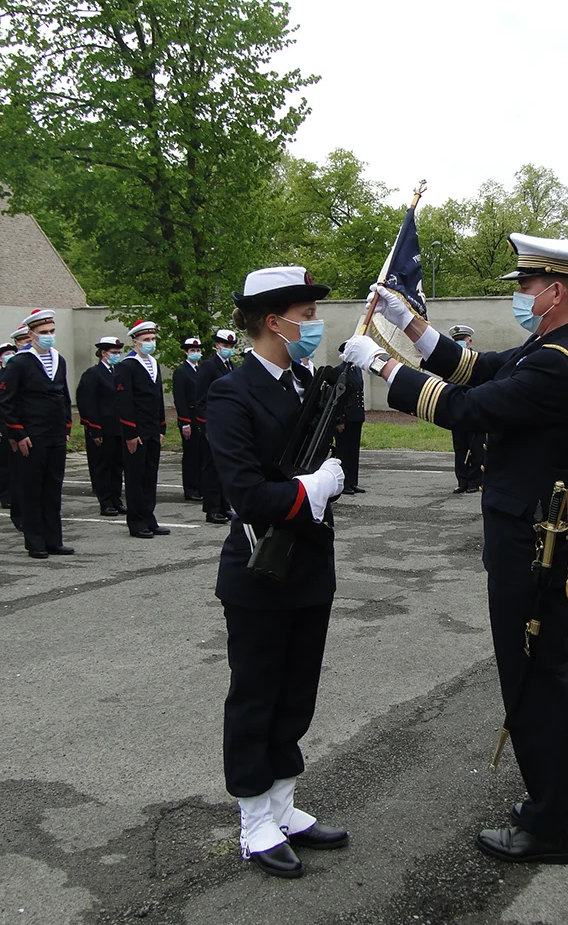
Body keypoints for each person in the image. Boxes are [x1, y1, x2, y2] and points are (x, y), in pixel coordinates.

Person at [343, 233, 568, 865]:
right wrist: (410, 326)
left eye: (526, 285)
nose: (520, 295)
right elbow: (478, 368)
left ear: (554, 292)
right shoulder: (555, 348)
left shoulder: (559, 361)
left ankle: (547, 827)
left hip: (534, 544)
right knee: (560, 671)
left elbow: (464, 407)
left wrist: (382, 365)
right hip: (546, 533)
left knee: (534, 678)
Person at [206, 265, 348, 879]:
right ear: (274, 321)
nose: (315, 324)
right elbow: (245, 492)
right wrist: (311, 489)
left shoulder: (305, 384)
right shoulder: (231, 393)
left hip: (309, 566)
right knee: (257, 696)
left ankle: (283, 808)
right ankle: (253, 820)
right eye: (307, 315)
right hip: (259, 569)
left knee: (296, 695)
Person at [0, 308, 74, 559]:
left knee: (53, 488)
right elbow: (7, 401)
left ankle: (54, 540)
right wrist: (18, 433)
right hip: (32, 435)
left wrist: (66, 426)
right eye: (43, 332)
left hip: (55, 434)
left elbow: (63, 396)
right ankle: (35, 541)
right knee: (32, 489)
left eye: (52, 331)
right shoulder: (19, 362)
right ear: (31, 334)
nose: (49, 336)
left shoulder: (59, 359)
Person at [116, 319, 169, 539]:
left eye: (153, 338)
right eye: (146, 339)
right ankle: (136, 521)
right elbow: (124, 401)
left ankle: (149, 517)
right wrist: (130, 432)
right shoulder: (127, 365)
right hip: (136, 432)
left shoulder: (153, 363)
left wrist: (161, 427)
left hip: (152, 429)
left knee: (150, 476)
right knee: (135, 477)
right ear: (135, 341)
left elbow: (157, 398)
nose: (150, 342)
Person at [77, 337, 126, 516]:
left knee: (117, 466)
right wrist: (94, 428)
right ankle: (105, 502)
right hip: (101, 428)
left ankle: (116, 499)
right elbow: (87, 403)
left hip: (118, 427)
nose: (117, 355)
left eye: (119, 352)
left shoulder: (119, 372)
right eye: (114, 352)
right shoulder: (93, 374)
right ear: (103, 353)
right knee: (102, 466)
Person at [196, 329, 236, 523]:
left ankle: (224, 505)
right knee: (211, 468)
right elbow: (200, 400)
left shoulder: (232, 367)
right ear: (217, 345)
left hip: (227, 426)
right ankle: (211, 508)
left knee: (224, 467)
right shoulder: (208, 366)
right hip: (213, 424)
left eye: (231, 346)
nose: (228, 349)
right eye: (225, 345)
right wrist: (206, 427)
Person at [448, 324, 484, 494]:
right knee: (460, 447)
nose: (460, 343)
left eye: (462, 340)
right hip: (457, 411)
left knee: (476, 447)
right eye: (457, 340)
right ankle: (462, 481)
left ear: (469, 341)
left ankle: (474, 482)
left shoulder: (478, 360)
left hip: (474, 409)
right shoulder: (450, 362)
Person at [3, 325, 31, 530]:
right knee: (17, 474)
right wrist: (11, 432)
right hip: (15, 429)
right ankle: (19, 514)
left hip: (35, 429)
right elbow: (6, 404)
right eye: (24, 342)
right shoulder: (11, 369)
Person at [172, 337, 203, 502]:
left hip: (201, 419)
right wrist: (185, 422)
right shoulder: (181, 372)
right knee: (191, 455)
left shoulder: (201, 370)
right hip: (189, 419)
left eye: (198, 350)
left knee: (201, 454)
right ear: (186, 352)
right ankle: (190, 489)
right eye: (192, 350)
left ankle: (201, 486)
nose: (195, 353)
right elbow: (180, 399)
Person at [335, 342, 366, 495]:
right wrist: (339, 420)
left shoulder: (357, 370)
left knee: (354, 451)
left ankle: (353, 481)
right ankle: (344, 483)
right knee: (343, 451)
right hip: (346, 417)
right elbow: (337, 398)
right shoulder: (340, 371)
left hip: (356, 416)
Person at [0, 341, 17, 509]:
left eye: (12, 353)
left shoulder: (17, 373)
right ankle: (5, 496)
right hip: (3, 425)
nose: (10, 356)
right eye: (6, 354)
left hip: (17, 424)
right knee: (5, 463)